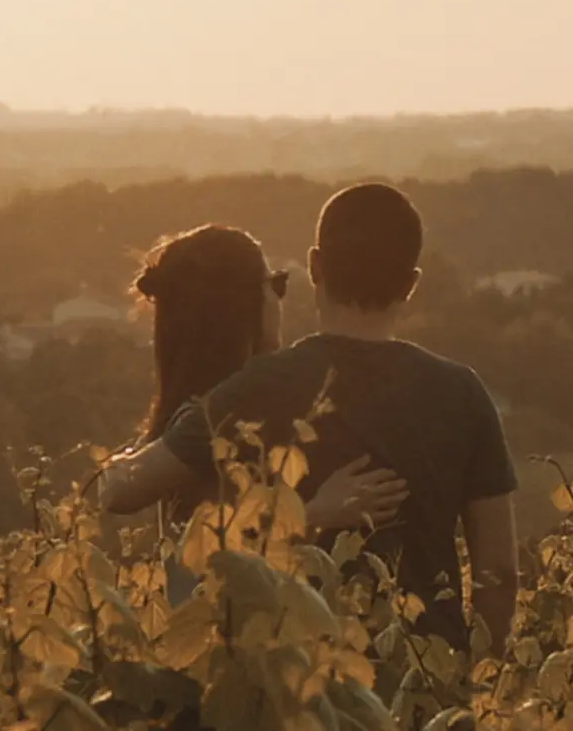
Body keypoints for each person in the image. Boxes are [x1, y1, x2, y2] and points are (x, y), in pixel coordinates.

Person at [102, 186, 518, 655]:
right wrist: (479, 677)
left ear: (316, 266)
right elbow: (500, 573)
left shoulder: (254, 389)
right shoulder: (463, 392)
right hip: (429, 673)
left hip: (300, 677)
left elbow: (121, 490)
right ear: (411, 283)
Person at [100, 223, 409, 602]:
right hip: (226, 626)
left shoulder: (202, 408)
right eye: (275, 285)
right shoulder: (230, 406)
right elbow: (121, 494)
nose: (280, 300)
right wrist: (317, 514)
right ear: (241, 304)